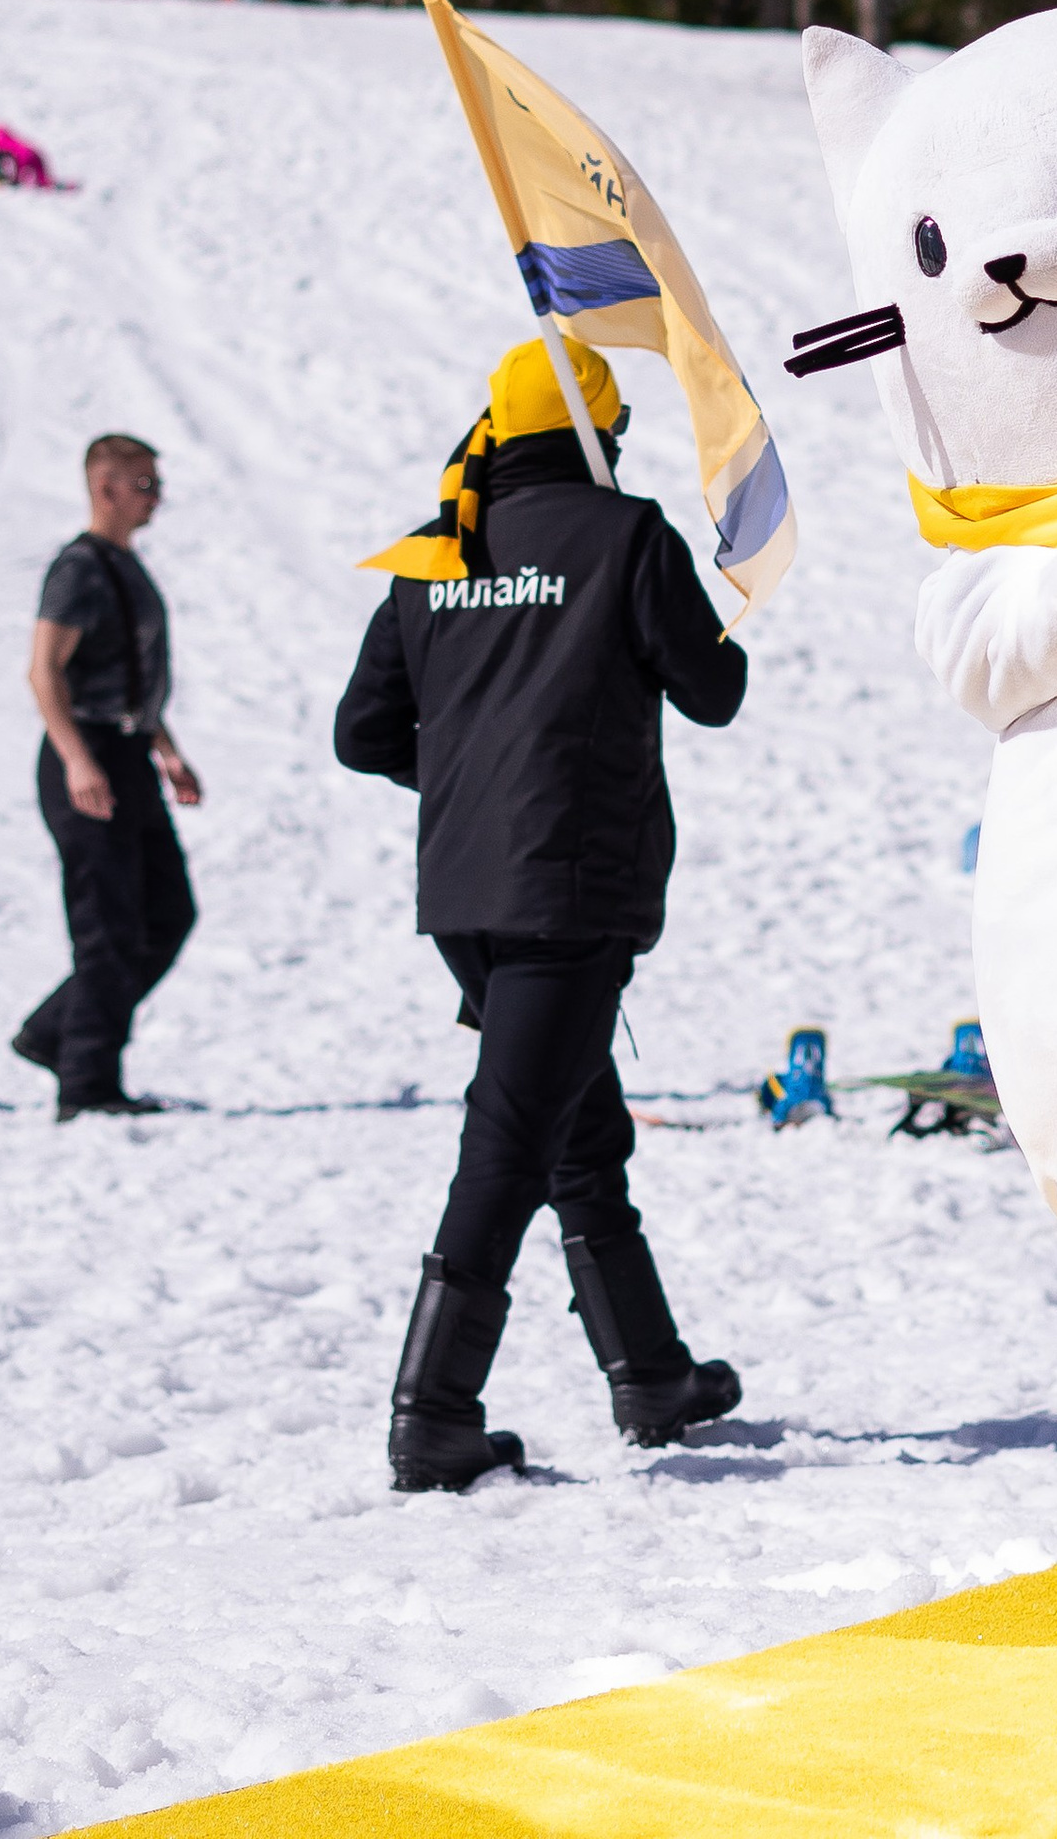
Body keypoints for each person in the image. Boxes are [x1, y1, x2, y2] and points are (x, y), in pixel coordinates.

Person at [335, 335, 748, 1491]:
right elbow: (713, 692)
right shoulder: (627, 538)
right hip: (567, 893)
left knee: (576, 1135)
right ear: (599, 434)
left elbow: (361, 733)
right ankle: (433, 1413)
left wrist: (475, 780)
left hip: (466, 898)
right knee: (509, 1146)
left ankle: (652, 1375)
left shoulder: (438, 550)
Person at [13, 433, 202, 1121]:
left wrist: (165, 747)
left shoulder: (124, 566)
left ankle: (54, 1033)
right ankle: (86, 1085)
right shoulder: (79, 568)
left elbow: (128, 680)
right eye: (145, 484)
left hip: (126, 751)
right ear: (106, 489)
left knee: (167, 913)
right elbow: (45, 672)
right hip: (86, 755)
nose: (157, 497)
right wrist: (77, 758)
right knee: (108, 926)